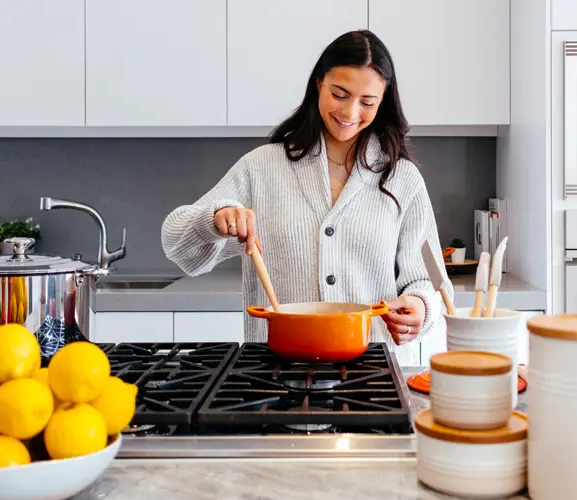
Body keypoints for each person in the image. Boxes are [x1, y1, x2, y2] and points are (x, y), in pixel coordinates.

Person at [160, 30, 452, 365]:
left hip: (370, 377)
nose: (351, 112)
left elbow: (428, 280)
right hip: (274, 375)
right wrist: (214, 219)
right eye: (339, 94)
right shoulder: (263, 166)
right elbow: (176, 245)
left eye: (367, 102)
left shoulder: (402, 177)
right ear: (318, 84)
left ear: (383, 101)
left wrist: (419, 306)